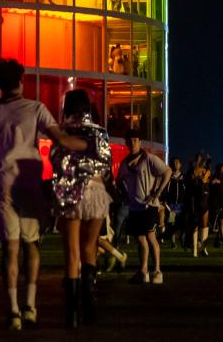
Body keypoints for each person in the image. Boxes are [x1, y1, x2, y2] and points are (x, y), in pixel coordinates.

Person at [0, 58, 86, 330]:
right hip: (29, 180)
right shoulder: (35, 108)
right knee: (31, 245)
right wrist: (88, 145)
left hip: (1, 181)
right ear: (21, 81)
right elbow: (62, 139)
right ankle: (30, 307)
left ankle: (12, 311)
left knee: (10, 249)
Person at [51, 88, 114, 327]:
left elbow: (55, 159)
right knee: (90, 249)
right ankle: (90, 307)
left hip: (71, 193)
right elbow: (106, 162)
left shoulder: (63, 132)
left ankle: (72, 314)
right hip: (96, 192)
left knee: (72, 253)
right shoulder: (99, 132)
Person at [116, 132, 171, 284]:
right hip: (134, 206)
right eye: (130, 140)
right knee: (140, 239)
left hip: (149, 206)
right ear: (126, 143)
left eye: (135, 140)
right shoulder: (125, 162)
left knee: (151, 237)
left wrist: (157, 192)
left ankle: (158, 271)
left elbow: (167, 171)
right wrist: (124, 194)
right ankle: (143, 271)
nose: (132, 143)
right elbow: (119, 180)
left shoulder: (148, 158)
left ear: (140, 142)